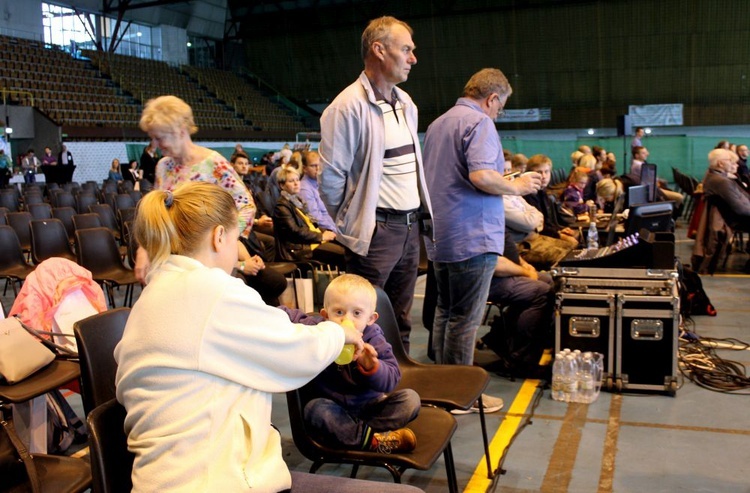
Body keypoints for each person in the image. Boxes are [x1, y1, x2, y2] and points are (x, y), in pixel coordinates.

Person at [113, 181, 407, 493]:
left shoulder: (154, 295)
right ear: (219, 237)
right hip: (212, 481)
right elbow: (294, 352)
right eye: (238, 238)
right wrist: (338, 332)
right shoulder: (213, 291)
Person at [422, 67, 541, 414]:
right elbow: (481, 175)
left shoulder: (438, 124)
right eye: (500, 107)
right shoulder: (480, 123)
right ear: (491, 98)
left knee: (446, 313)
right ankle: (462, 395)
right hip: (471, 237)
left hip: (442, 236)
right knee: (464, 320)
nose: (497, 113)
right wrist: (516, 186)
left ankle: (445, 389)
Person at [319, 16, 431, 352]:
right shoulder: (346, 107)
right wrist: (355, 223)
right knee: (358, 321)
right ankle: (360, 394)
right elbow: (330, 179)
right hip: (377, 232)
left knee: (399, 319)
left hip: (409, 229)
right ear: (379, 50)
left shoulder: (406, 103)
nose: (413, 58)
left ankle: (397, 384)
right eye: (406, 49)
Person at [281, 274, 420, 452]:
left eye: (357, 313)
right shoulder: (319, 328)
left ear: (370, 318)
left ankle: (356, 435)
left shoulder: (373, 337)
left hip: (369, 407)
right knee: (314, 410)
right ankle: (376, 442)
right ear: (325, 315)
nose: (347, 320)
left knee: (410, 400)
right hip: (333, 408)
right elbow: (282, 314)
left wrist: (373, 367)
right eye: (339, 312)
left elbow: (392, 379)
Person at [134, 95, 256, 285]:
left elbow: (246, 205)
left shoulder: (214, 164)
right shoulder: (163, 167)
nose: (156, 145)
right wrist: (144, 249)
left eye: (159, 138)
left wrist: (222, 240)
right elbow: (156, 214)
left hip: (207, 267)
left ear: (180, 131)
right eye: (153, 138)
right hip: (172, 265)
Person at [273, 167, 345, 269]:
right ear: (282, 185)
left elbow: (313, 223)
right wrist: (321, 236)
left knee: (344, 244)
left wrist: (328, 232)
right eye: (291, 181)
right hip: (298, 249)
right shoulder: (281, 206)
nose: (296, 183)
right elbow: (295, 232)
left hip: (309, 241)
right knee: (341, 254)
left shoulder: (297, 201)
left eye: (297, 180)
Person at [522, 154, 579, 246]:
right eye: (539, 172)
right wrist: (559, 235)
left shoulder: (543, 192)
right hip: (533, 238)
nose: (544, 176)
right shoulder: (529, 195)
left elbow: (547, 220)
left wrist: (559, 230)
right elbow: (538, 227)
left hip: (546, 233)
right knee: (572, 243)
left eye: (546, 171)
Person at [702, 148, 750, 231]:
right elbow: (740, 208)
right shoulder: (722, 181)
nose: (736, 165)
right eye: (731, 162)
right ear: (721, 163)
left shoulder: (712, 176)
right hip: (738, 220)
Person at [298, 150, 337, 233]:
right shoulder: (304, 189)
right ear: (304, 169)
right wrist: (336, 230)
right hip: (323, 231)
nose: (318, 169)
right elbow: (315, 219)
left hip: (332, 225)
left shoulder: (319, 183)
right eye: (313, 166)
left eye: (319, 165)